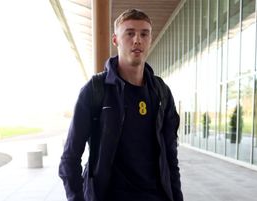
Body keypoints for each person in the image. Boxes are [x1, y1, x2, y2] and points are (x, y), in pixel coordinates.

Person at [59, 8, 183, 201]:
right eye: (130, 33)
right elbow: (70, 159)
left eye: (144, 34)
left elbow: (170, 156)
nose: (137, 40)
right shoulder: (95, 91)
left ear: (150, 39)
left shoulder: (161, 92)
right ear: (115, 40)